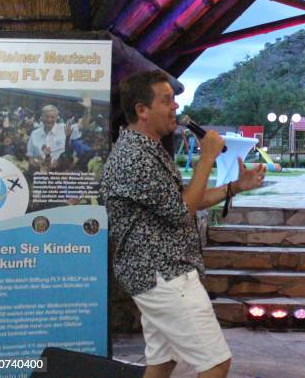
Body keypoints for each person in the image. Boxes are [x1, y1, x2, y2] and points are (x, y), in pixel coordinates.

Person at [101, 70, 265, 378]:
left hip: (157, 274)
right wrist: (207, 158)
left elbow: (185, 199)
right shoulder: (134, 157)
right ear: (142, 110)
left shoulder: (146, 150)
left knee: (163, 362)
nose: (176, 108)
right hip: (164, 276)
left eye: (175, 100)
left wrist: (235, 187)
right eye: (167, 100)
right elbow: (181, 211)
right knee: (215, 363)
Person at [27, 100, 91, 167]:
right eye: (47, 116)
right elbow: (31, 159)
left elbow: (82, 126)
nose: (49, 120)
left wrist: (87, 110)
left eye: (52, 117)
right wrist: (42, 166)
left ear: (57, 117)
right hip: (42, 172)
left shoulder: (64, 128)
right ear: (42, 117)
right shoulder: (34, 134)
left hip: (60, 173)